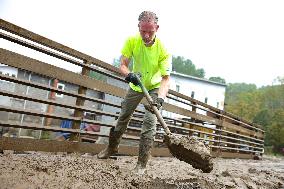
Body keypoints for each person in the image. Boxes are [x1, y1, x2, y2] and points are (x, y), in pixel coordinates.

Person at [97, 11, 171, 175]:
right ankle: (111, 148)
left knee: (149, 123)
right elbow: (123, 64)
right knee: (123, 116)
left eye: (150, 32)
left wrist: (160, 99)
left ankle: (142, 164)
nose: (146, 35)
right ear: (138, 27)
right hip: (136, 85)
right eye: (142, 31)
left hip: (154, 88)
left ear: (157, 28)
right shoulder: (131, 41)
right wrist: (128, 74)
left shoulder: (163, 49)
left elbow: (166, 79)